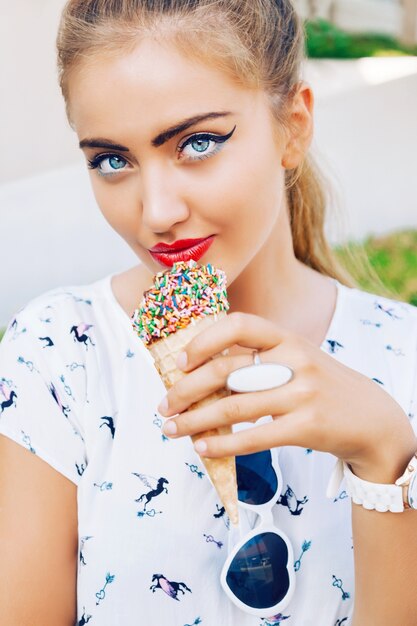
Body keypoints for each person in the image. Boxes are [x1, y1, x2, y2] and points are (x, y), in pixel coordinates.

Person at [1, 0, 416, 624]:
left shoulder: (404, 360)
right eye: (112, 160)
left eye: (197, 143)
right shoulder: (59, 359)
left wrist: (386, 459)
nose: (157, 212)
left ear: (293, 127)